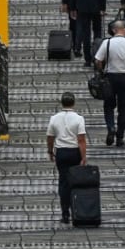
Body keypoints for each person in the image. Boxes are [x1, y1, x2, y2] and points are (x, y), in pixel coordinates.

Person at [94, 20, 125, 147]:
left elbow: (98, 60)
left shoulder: (107, 42)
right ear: (124, 30)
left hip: (110, 77)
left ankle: (111, 128)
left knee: (109, 105)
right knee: (124, 107)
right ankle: (120, 136)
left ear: (114, 30)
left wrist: (101, 71)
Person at [46, 92, 87, 224]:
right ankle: (78, 210)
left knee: (63, 182)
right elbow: (81, 140)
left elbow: (50, 137)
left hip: (62, 153)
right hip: (74, 152)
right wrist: (83, 157)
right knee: (75, 182)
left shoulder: (54, 118)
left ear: (62, 103)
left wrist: (50, 151)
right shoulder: (79, 119)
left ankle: (65, 213)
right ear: (73, 103)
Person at [68, 0, 105, 67]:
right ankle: (97, 56)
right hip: (96, 7)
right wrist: (103, 8)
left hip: (82, 8)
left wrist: (73, 8)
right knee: (97, 32)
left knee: (86, 33)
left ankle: (88, 59)